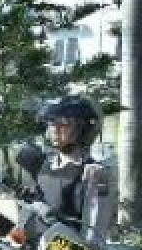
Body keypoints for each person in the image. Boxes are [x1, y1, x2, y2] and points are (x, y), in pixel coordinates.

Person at [26, 94, 117, 241]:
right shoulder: (45, 167)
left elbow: (93, 236)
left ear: (84, 128)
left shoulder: (94, 173)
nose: (54, 129)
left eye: (63, 123)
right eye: (51, 122)